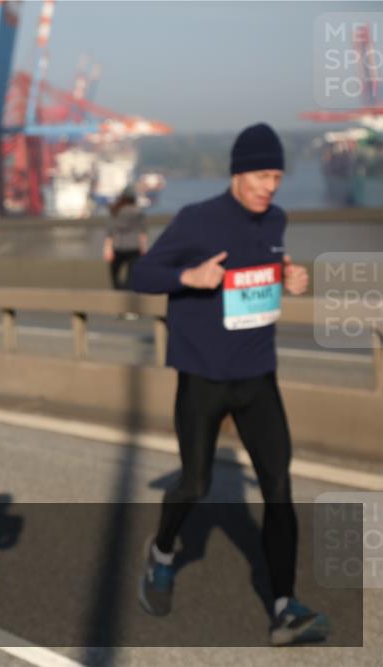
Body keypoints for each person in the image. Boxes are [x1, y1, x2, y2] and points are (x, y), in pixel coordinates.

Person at [129, 123, 330, 646]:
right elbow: (141, 274)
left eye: (278, 176)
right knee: (195, 484)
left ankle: (284, 607)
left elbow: (266, 264)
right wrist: (187, 278)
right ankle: (163, 552)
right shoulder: (198, 220)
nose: (271, 186)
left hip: (259, 375)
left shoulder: (277, 219)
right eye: (262, 175)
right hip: (203, 376)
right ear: (239, 173)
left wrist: (290, 276)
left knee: (279, 488)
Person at [104, 185, 147, 293]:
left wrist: (107, 249)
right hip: (134, 247)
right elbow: (142, 232)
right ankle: (126, 299)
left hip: (118, 246)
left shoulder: (115, 210)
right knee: (130, 278)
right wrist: (144, 248)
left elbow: (110, 232)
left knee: (115, 276)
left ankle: (118, 294)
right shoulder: (138, 212)